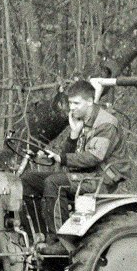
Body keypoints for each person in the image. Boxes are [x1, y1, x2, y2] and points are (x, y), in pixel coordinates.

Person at [21, 80, 128, 245]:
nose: (71, 107)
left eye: (76, 103)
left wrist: (62, 158)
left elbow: (94, 157)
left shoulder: (106, 123)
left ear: (90, 101)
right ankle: (38, 235)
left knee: (54, 183)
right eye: (70, 103)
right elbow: (67, 160)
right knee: (28, 180)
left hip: (101, 178)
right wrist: (73, 134)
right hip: (85, 174)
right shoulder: (82, 122)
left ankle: (59, 241)